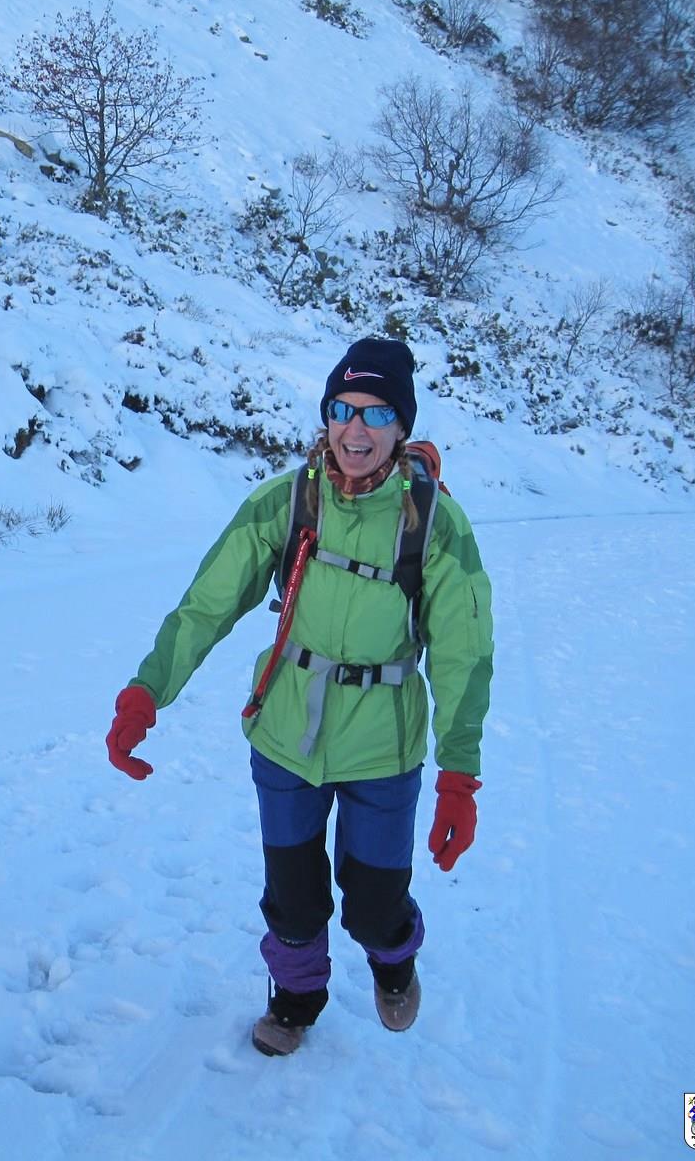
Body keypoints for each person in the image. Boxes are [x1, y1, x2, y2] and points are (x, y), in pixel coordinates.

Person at [105, 338, 494, 1057]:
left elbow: (463, 657)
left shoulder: (436, 524)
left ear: (402, 427)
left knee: (374, 905)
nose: (356, 429)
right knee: (292, 896)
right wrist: (146, 692)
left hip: (383, 744)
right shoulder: (287, 502)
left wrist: (459, 775)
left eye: (377, 414)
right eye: (342, 409)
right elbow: (206, 605)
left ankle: (394, 958)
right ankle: (295, 999)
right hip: (287, 731)